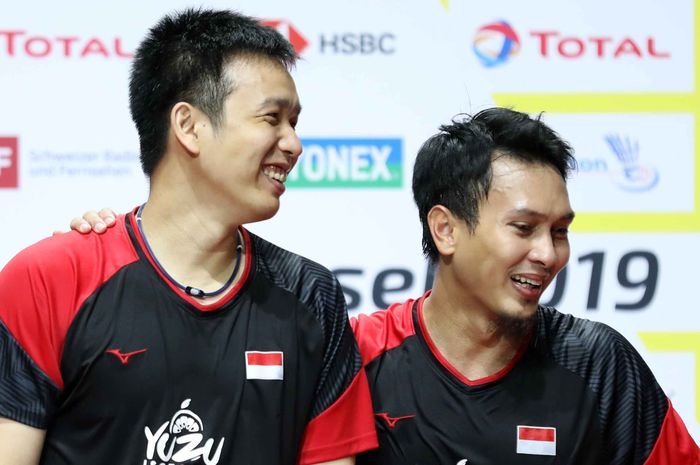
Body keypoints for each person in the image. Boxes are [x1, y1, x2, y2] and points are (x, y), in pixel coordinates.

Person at [69, 109, 700, 463]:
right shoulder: (357, 357)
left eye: (560, 231)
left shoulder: (598, 364)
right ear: (446, 230)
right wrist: (118, 239)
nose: (548, 253)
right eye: (524, 228)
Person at [0, 8, 376, 465]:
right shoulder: (49, 277)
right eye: (272, 118)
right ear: (189, 126)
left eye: (293, 122)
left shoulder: (311, 297)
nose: (293, 143)